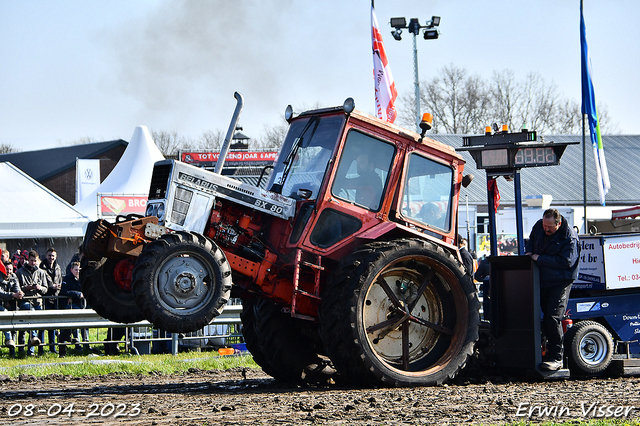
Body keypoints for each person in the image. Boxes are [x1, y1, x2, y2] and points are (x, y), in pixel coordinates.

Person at [525, 208, 580, 371]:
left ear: (559, 223)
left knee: (552, 317)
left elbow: (566, 262)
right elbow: (531, 240)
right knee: (537, 315)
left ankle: (556, 357)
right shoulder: (539, 227)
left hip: (560, 281)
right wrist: (528, 251)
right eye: (544, 225)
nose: (546, 229)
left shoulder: (569, 236)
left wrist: (539, 258)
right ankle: (538, 351)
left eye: (549, 227)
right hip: (542, 278)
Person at [16, 250, 49, 356]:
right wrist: (27, 288)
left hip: (38, 301)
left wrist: (39, 288)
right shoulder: (20, 272)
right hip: (25, 301)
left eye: (35, 261)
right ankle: (26, 350)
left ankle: (40, 349)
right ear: (27, 260)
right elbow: (17, 288)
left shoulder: (41, 272)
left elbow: (46, 289)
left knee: (41, 324)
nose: (33, 263)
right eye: (31, 260)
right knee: (30, 318)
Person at [58, 262, 89, 356]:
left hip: (80, 304)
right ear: (71, 270)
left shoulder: (82, 279)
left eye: (79, 270)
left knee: (85, 322)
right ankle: (77, 343)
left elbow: (85, 290)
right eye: (76, 270)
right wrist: (77, 294)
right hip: (70, 306)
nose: (77, 272)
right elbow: (64, 291)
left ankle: (85, 343)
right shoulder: (67, 278)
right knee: (75, 323)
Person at [40, 248, 62, 354]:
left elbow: (60, 280)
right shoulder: (42, 267)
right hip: (45, 298)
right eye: (49, 255)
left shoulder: (58, 267)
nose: (51, 258)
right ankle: (41, 348)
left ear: (56, 256)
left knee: (53, 325)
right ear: (46, 255)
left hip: (56, 298)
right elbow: (40, 282)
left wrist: (58, 287)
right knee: (42, 325)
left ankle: (52, 348)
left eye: (53, 255)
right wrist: (50, 286)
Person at [0, 258, 24, 357]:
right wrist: (12, 295)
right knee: (5, 314)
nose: (9, 272)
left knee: (13, 324)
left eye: (10, 269)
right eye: (7, 269)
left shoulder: (14, 277)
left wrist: (19, 293)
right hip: (1, 306)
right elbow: (0, 293)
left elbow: (17, 288)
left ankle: (13, 352)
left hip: (11, 305)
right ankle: (9, 339)